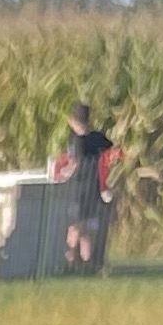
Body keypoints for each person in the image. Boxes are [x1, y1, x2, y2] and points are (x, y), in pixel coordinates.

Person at [58, 95, 115, 270]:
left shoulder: (77, 141)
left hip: (79, 188)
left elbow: (74, 163)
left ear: (73, 120)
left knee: (75, 226)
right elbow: (111, 150)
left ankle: (70, 260)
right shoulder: (97, 137)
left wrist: (63, 173)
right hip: (95, 186)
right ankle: (87, 261)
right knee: (86, 228)